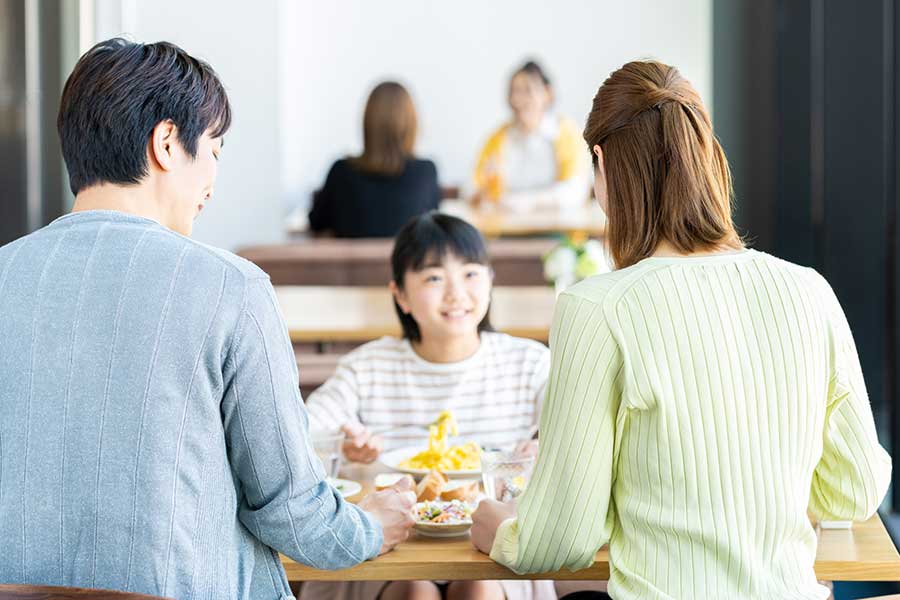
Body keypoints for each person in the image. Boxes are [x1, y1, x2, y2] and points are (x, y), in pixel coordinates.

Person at [0, 38, 415, 600]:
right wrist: (373, 525)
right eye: (214, 150)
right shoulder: (231, 289)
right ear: (167, 143)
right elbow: (293, 511)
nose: (213, 180)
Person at [470, 60, 892, 599]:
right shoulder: (810, 290)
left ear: (602, 163)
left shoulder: (596, 307)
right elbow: (855, 490)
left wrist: (502, 531)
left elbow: (562, 539)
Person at [302, 211, 554, 600]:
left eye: (470, 274)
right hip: (391, 547)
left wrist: (547, 448)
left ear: (491, 280)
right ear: (400, 294)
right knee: (414, 591)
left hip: (493, 543)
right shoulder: (368, 366)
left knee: (478, 588)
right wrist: (340, 443)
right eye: (434, 278)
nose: (456, 293)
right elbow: (302, 433)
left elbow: (581, 434)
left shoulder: (529, 363)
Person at [308, 81, 442, 238]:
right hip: (406, 254)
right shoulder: (426, 172)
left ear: (367, 122)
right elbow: (433, 223)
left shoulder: (340, 171)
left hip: (350, 255)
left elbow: (316, 223)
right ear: (412, 124)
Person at [471, 60, 588, 211]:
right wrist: (482, 191)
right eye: (514, 91)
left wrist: (520, 202)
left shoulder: (565, 133)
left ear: (548, 93)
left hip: (556, 223)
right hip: (506, 223)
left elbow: (574, 192)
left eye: (527, 90)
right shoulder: (498, 138)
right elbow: (472, 188)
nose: (518, 99)